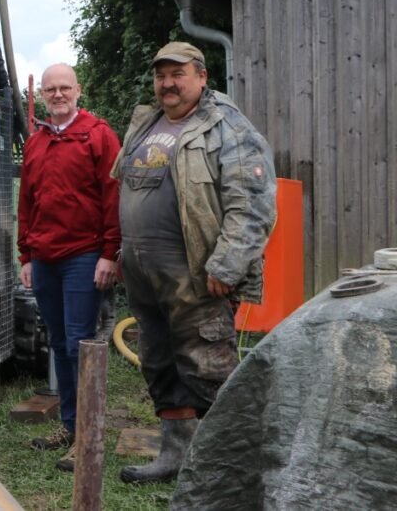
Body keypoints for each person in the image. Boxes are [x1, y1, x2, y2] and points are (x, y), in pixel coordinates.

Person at [112, 41, 276, 484]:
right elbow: (125, 193)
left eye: (177, 74)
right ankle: (176, 456)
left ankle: (239, 467)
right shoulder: (148, 124)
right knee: (160, 363)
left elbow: (253, 205)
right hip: (145, 274)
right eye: (161, 75)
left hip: (197, 274)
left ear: (201, 77)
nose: (167, 83)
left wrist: (227, 265)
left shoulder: (228, 129)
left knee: (209, 368)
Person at [17, 63, 121, 472]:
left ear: (79, 90)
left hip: (83, 256)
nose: (57, 95)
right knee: (59, 342)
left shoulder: (98, 135)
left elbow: (113, 196)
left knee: (80, 343)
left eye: (64, 88)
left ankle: (87, 436)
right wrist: (26, 255)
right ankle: (69, 426)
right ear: (42, 95)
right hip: (45, 259)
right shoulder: (36, 143)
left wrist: (110, 253)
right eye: (50, 89)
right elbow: (27, 201)